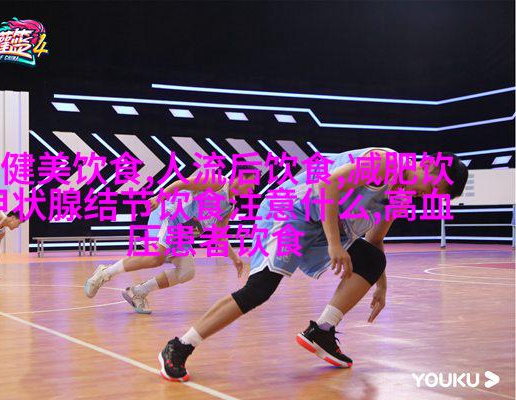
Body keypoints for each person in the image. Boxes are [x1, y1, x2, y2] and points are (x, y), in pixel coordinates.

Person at [157, 148, 468, 382]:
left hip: (322, 225)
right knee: (259, 289)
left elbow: (374, 242)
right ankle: (180, 345)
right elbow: (329, 185)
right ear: (430, 166)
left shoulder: (401, 196)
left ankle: (322, 330)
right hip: (291, 211)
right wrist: (334, 244)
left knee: (372, 260)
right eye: (432, 188)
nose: (425, 195)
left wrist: (381, 287)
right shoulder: (385, 163)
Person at [84, 169, 258, 314]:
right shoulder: (217, 182)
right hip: (170, 216)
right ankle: (104, 273)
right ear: (241, 178)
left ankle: (138, 292)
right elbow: (182, 183)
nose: (253, 189)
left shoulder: (230, 205)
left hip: (183, 234)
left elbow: (220, 236)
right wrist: (159, 198)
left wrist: (235, 258)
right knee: (155, 258)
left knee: (187, 272)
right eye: (252, 184)